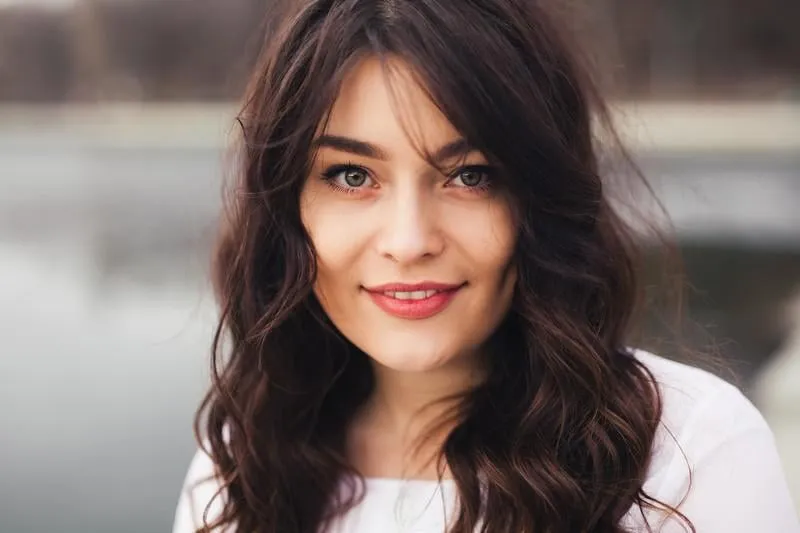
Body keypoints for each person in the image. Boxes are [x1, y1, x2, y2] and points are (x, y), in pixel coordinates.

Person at [172, 1, 799, 532]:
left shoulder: (685, 452)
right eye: (352, 176)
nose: (410, 240)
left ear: (539, 196)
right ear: (286, 207)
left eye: (469, 175)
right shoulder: (243, 461)